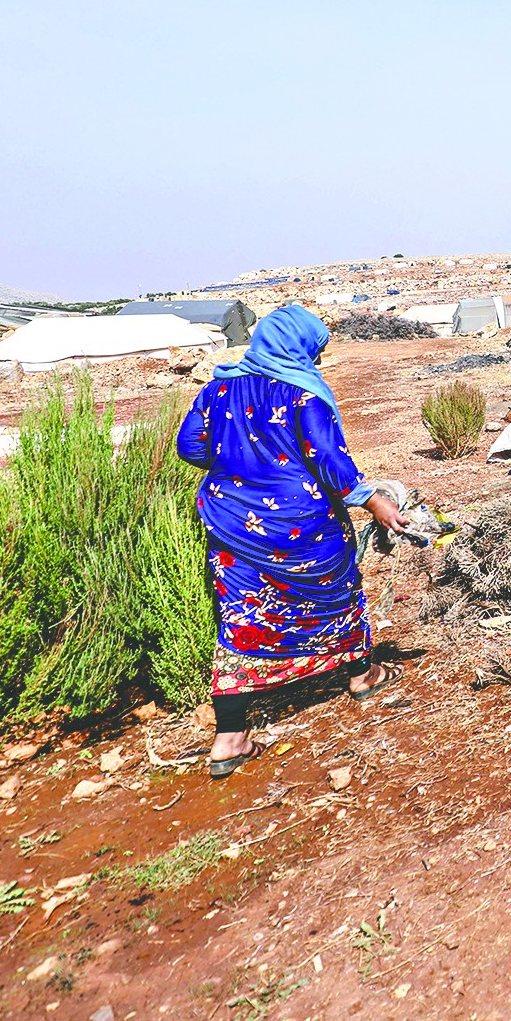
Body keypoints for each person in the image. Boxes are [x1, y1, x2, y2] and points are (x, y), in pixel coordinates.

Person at [175, 304, 406, 778]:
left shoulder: (216, 389)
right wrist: (373, 500)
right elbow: (329, 462)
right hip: (304, 525)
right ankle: (362, 675)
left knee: (239, 614)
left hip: (233, 523)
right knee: (335, 594)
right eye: (315, 352)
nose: (317, 362)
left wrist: (241, 468)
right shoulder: (305, 395)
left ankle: (230, 738)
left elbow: (190, 446)